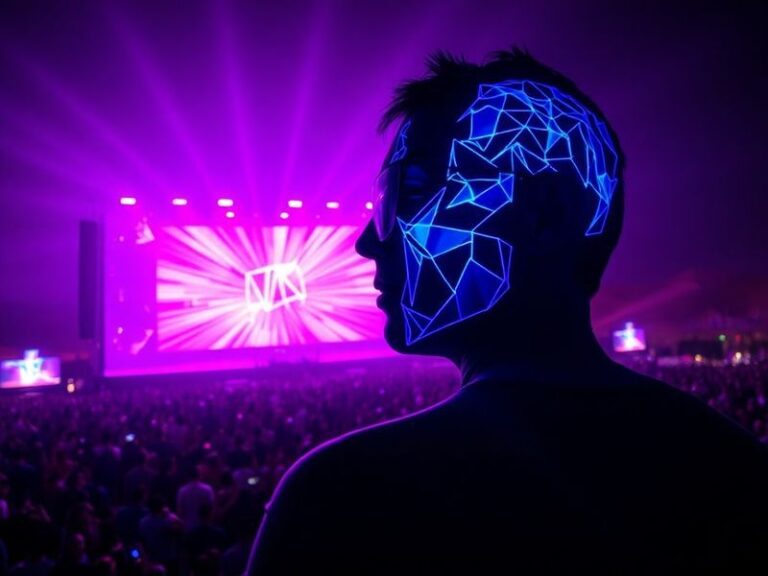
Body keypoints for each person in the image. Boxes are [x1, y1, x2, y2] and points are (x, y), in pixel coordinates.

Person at [247, 49, 768, 574]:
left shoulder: (345, 499)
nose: (368, 243)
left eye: (412, 193)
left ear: (547, 215)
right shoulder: (737, 472)